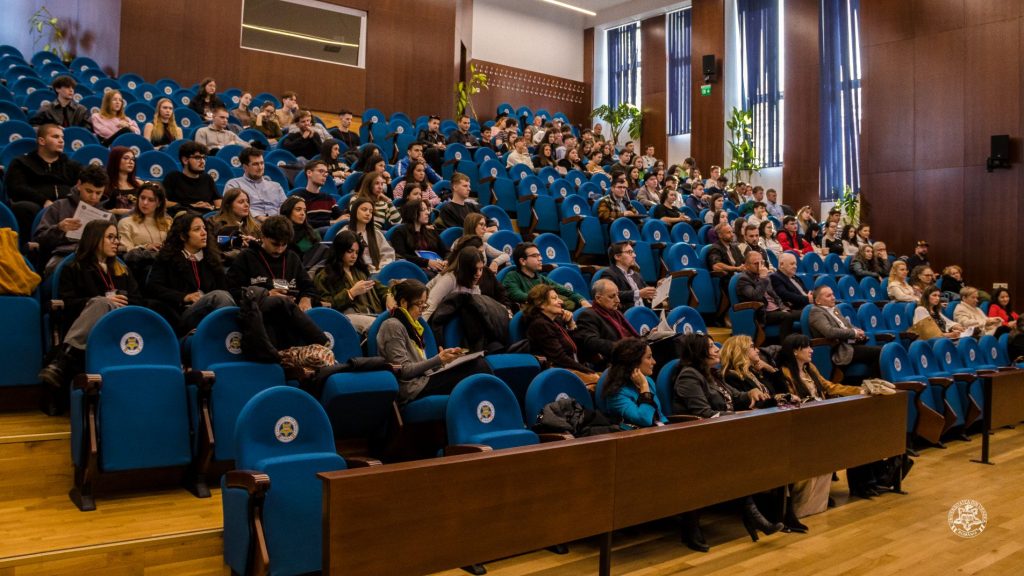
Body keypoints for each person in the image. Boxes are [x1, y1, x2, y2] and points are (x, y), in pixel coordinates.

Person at [671, 333, 782, 550]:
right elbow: (704, 414)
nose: (717, 350)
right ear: (698, 352)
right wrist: (737, 416)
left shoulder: (711, 374)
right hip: (696, 439)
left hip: (722, 434)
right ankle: (692, 526)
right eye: (711, 346)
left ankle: (756, 516)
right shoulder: (689, 376)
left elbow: (735, 396)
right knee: (738, 458)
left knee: (753, 452)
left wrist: (750, 392)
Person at [37, 220, 144, 391]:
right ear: (94, 239)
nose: (116, 242)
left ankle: (64, 357)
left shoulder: (122, 269)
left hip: (120, 325)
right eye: (110, 237)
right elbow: (68, 304)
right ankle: (67, 357)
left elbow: (138, 301)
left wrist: (117, 305)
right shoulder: (73, 268)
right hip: (89, 327)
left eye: (117, 237)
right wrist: (98, 301)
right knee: (100, 302)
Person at [775, 334, 876, 504]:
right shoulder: (785, 374)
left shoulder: (810, 368)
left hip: (823, 417)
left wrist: (859, 390)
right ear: (794, 351)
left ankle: (865, 483)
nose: (811, 350)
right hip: (806, 423)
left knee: (860, 431)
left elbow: (829, 387)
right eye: (807, 347)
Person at [377, 279, 490, 404]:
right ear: (404, 302)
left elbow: (421, 367)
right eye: (419, 304)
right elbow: (403, 370)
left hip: (424, 380)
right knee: (477, 366)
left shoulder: (413, 326)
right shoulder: (392, 326)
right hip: (412, 388)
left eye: (424, 304)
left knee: (479, 364)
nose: (422, 310)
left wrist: (444, 361)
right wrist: (438, 360)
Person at [146, 214, 234, 334]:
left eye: (204, 228)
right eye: (197, 229)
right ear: (183, 236)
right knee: (219, 296)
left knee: (226, 296)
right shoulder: (167, 258)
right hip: (182, 314)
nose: (204, 233)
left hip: (210, 311)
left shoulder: (211, 258)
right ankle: (225, 336)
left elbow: (224, 288)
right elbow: (153, 287)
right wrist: (184, 297)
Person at [226, 216, 316, 312]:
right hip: (260, 311)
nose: (280, 250)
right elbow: (233, 291)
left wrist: (306, 299)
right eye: (275, 244)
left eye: (284, 244)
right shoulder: (246, 257)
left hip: (292, 310)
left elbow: (308, 286)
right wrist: (266, 294)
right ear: (263, 237)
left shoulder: (292, 257)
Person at [34, 165, 112, 275]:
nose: (93, 197)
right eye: (89, 191)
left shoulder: (107, 216)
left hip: (97, 257)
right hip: (65, 256)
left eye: (98, 193)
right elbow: (39, 239)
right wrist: (59, 229)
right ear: (79, 185)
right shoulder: (59, 206)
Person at [5, 124, 83, 232]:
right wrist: (44, 201)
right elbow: (17, 188)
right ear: (42, 141)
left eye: (62, 137)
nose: (61, 141)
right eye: (55, 137)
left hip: (67, 207)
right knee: (23, 208)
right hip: (36, 207)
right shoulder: (21, 162)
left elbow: (86, 182)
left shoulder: (72, 165)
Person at [314, 230, 389, 333]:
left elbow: (379, 287)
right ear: (340, 251)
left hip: (373, 314)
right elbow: (325, 306)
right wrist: (350, 293)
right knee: (383, 326)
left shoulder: (360, 271)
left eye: (357, 252)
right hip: (347, 319)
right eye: (350, 251)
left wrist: (388, 296)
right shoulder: (324, 275)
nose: (354, 256)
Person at [523, 284, 599, 385]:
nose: (561, 301)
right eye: (555, 298)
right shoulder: (540, 325)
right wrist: (589, 372)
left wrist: (571, 325)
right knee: (603, 383)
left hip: (573, 368)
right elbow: (560, 358)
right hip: (559, 374)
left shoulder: (556, 320)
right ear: (541, 304)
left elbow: (575, 346)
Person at [808, 285, 881, 377]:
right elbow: (829, 332)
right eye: (828, 296)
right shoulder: (816, 312)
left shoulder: (835, 309)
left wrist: (858, 331)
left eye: (833, 294)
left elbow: (847, 326)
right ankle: (876, 382)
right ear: (818, 301)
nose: (833, 297)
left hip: (850, 343)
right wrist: (854, 333)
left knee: (880, 351)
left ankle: (871, 380)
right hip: (840, 349)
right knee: (880, 352)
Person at [501, 242, 589, 310]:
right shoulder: (512, 276)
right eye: (535, 256)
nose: (540, 258)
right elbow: (517, 295)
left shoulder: (541, 278)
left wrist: (582, 301)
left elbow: (566, 291)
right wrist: (549, 301)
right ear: (523, 261)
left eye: (539, 255)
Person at [736, 251, 801, 341]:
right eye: (756, 263)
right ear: (747, 266)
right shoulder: (743, 279)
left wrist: (782, 307)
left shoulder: (764, 276)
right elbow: (755, 297)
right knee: (787, 316)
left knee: (806, 312)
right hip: (763, 313)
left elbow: (774, 295)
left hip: (776, 309)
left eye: (761, 262)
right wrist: (763, 278)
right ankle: (786, 345)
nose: (760, 266)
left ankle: (804, 343)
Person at [602, 338, 666, 427]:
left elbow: (659, 416)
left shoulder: (648, 380)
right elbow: (645, 420)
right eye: (649, 357)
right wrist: (644, 388)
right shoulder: (616, 395)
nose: (654, 362)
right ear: (633, 362)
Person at [117, 182, 171, 276]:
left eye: (151, 200)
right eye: (142, 198)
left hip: (166, 267)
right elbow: (125, 253)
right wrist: (145, 247)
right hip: (139, 269)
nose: (145, 203)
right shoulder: (126, 223)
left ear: (159, 203)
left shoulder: (168, 222)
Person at [224, 147, 286, 220]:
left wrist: (277, 220)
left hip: (278, 223)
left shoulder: (276, 186)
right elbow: (234, 209)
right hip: (250, 223)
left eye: (262, 163)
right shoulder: (234, 185)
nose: (260, 168)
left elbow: (286, 208)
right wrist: (260, 218)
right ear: (245, 167)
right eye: (255, 164)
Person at [391, 200, 448, 277]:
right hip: (415, 270)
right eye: (423, 210)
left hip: (437, 267)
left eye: (427, 209)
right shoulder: (400, 232)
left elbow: (446, 251)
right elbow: (401, 256)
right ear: (413, 212)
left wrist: (446, 261)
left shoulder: (430, 231)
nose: (428, 213)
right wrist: (427, 262)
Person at [164, 142, 220, 213]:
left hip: (207, 216)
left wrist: (212, 207)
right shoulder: (173, 177)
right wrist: (191, 206)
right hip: (183, 215)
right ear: (185, 160)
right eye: (197, 158)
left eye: (204, 158)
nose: (202, 161)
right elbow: (163, 202)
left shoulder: (207, 178)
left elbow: (219, 203)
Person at [209, 188, 262, 263]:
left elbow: (265, 248)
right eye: (241, 202)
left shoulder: (257, 225)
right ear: (228, 205)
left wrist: (255, 244)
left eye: (247, 201)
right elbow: (211, 251)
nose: (246, 205)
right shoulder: (214, 223)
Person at [343, 197, 395, 273]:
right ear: (354, 211)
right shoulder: (344, 233)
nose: (368, 214)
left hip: (377, 272)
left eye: (371, 211)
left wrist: (381, 268)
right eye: (364, 210)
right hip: (355, 274)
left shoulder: (376, 233)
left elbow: (388, 254)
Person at [719, 335, 779, 399]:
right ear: (740, 351)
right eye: (752, 346)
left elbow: (780, 390)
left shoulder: (752, 371)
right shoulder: (731, 376)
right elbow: (752, 402)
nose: (757, 350)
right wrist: (776, 398)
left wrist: (770, 368)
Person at [603, 241, 656, 310]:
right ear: (617, 257)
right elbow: (611, 294)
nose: (634, 255)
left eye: (633, 252)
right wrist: (638, 293)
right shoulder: (609, 273)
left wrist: (658, 287)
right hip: (627, 313)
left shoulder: (636, 275)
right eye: (629, 252)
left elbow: (646, 291)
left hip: (645, 311)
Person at [292, 160, 342, 231]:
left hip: (327, 232)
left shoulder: (328, 198)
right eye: (321, 171)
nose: (325, 175)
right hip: (308, 233)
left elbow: (340, 216)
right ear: (309, 173)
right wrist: (331, 222)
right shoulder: (298, 197)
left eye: (326, 172)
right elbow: (302, 221)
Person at [279, 196, 322, 261]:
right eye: (298, 209)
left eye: (304, 210)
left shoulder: (312, 233)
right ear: (288, 211)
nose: (303, 213)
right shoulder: (279, 232)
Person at [103, 146, 142, 215]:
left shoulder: (139, 184)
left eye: (133, 159)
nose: (131, 162)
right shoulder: (104, 184)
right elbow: (98, 210)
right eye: (126, 158)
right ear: (115, 160)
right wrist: (115, 211)